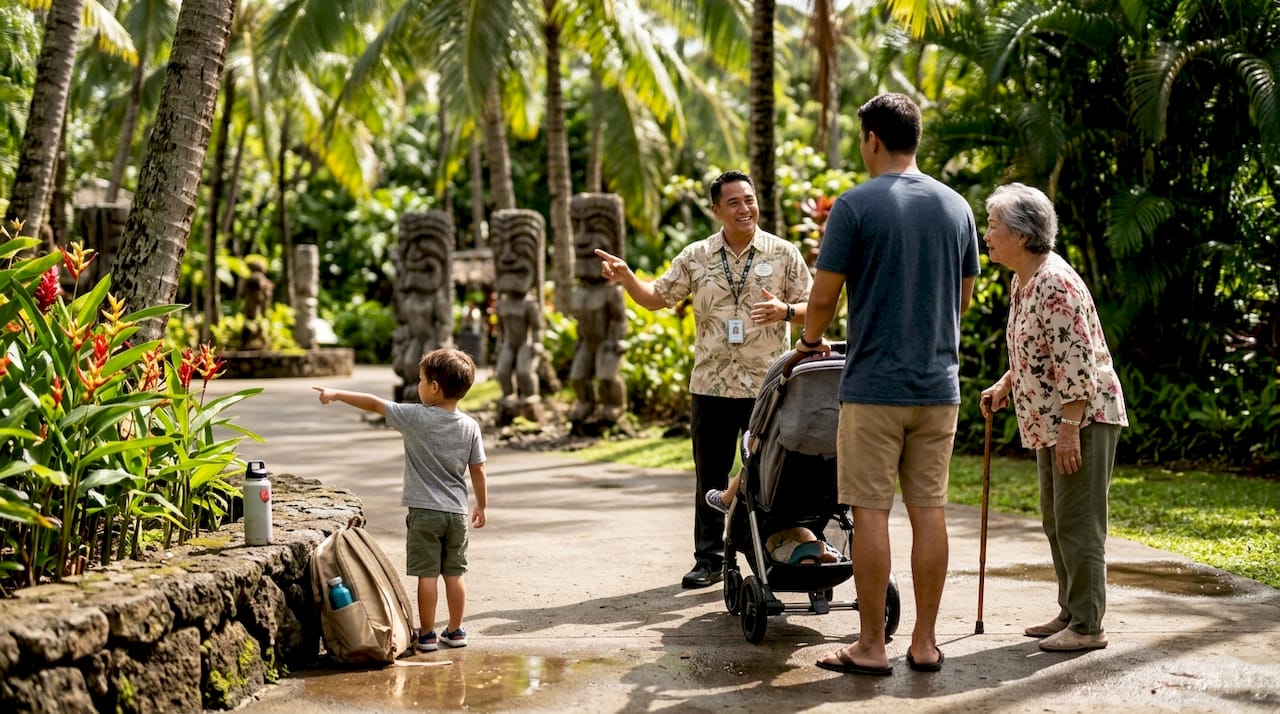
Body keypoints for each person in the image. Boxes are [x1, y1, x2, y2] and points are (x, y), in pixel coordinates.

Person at [799, 93, 979, 675]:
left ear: (872, 137)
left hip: (874, 386)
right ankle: (924, 644)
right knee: (930, 511)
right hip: (937, 387)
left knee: (870, 512)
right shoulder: (958, 209)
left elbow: (823, 298)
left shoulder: (854, 206)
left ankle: (872, 646)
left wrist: (808, 340)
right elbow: (962, 302)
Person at [594, 169, 813, 589]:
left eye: (748, 199)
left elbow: (817, 307)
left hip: (766, 387)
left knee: (767, 472)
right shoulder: (696, 256)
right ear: (716, 210)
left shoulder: (784, 253)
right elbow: (657, 298)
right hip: (710, 386)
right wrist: (627, 279)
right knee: (709, 475)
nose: (744, 208)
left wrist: (785, 311)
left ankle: (770, 551)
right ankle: (709, 559)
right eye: (733, 202)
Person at [979, 182, 1128, 652]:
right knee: (1056, 518)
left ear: (1022, 235)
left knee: (1079, 521)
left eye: (994, 226)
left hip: (1081, 418)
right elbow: (1040, 351)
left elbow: (1078, 362)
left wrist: (1069, 430)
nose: (987, 234)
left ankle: (1088, 625)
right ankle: (1071, 610)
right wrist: (1006, 383)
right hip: (1051, 418)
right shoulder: (1023, 281)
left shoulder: (1054, 282)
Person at [313, 348, 488, 652]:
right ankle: (457, 630)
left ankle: (429, 634)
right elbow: (478, 470)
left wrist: (337, 393)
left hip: (424, 514)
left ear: (434, 387)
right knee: (455, 573)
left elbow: (375, 404)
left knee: (427, 575)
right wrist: (481, 505)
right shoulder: (470, 426)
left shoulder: (414, 417)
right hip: (457, 514)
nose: (418, 385)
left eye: (421, 380)